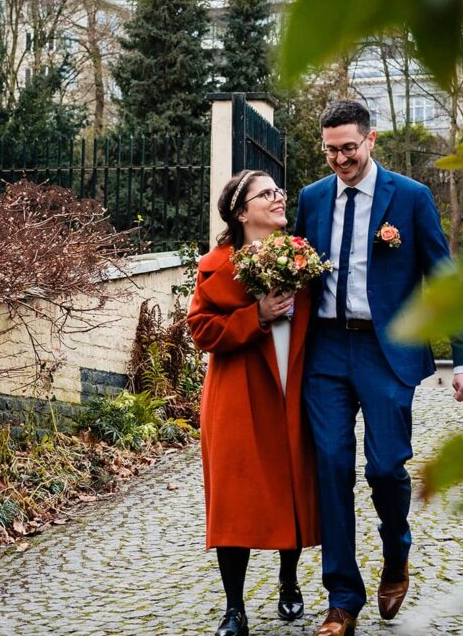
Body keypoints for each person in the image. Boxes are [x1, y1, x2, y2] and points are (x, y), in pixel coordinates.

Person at [293, 100, 463, 636]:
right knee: (330, 466)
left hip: (386, 351)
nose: (339, 160)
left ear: (370, 140)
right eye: (330, 150)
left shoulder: (412, 197)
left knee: (383, 468)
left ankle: (396, 554)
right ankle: (342, 599)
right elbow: (296, 273)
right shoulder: (311, 199)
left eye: (348, 148)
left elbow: (445, 276)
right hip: (326, 350)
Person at [188, 169, 322, 636]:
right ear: (242, 211)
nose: (278, 197)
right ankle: (234, 608)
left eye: (279, 190)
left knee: (292, 481)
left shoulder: (303, 257)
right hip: (239, 391)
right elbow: (202, 330)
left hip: (295, 381)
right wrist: (255, 315)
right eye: (267, 193)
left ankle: (288, 581)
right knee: (235, 494)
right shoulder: (217, 265)